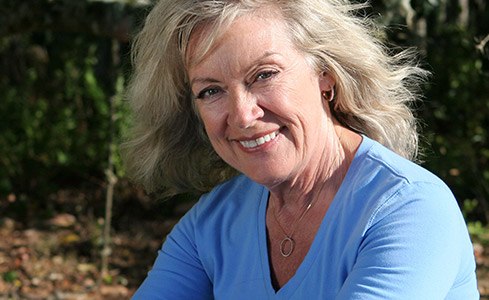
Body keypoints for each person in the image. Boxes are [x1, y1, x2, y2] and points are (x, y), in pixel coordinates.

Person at [125, 0, 479, 298]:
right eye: (211, 91)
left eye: (264, 74)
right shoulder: (213, 222)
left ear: (324, 73)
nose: (243, 116)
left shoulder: (410, 209)